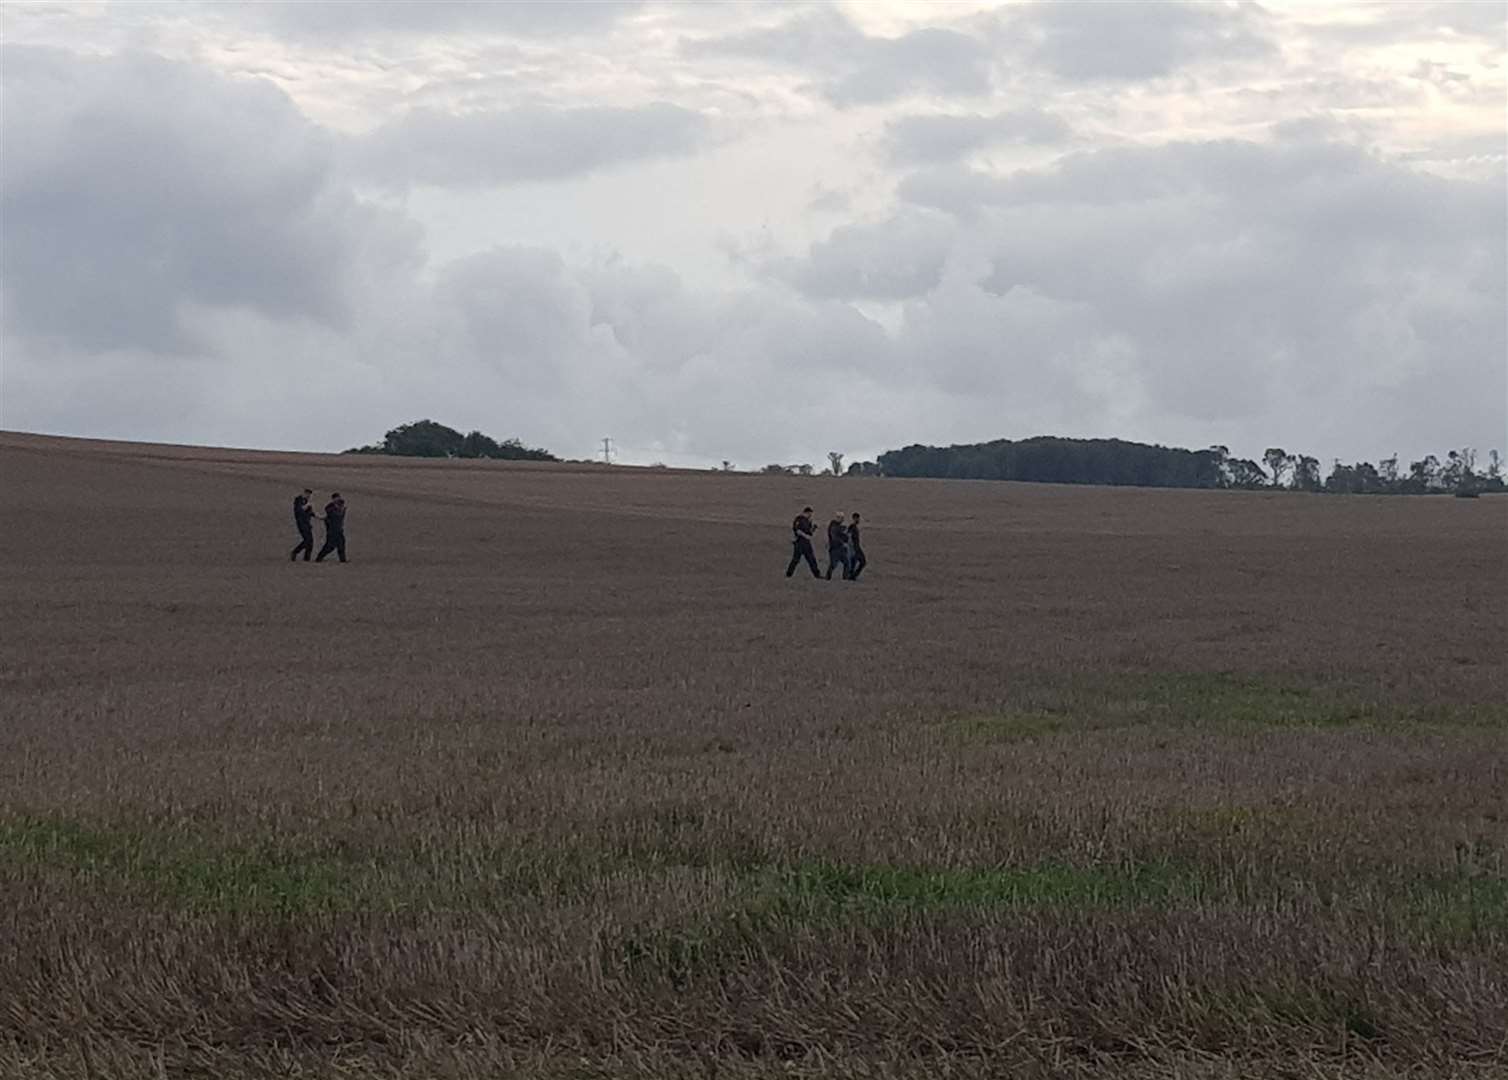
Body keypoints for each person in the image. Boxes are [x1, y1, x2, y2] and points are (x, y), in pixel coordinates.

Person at [785, 506, 820, 578]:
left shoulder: (808, 521)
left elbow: (810, 533)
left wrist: (813, 528)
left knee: (811, 559)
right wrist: (805, 536)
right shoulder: (799, 519)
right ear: (806, 513)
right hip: (799, 542)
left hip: (806, 543)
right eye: (809, 514)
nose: (810, 515)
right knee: (796, 559)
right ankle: (789, 574)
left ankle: (817, 574)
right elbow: (797, 531)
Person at [315, 493, 347, 563]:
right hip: (332, 531)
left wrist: (340, 508)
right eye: (336, 498)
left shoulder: (341, 506)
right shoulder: (330, 507)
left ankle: (343, 560)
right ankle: (319, 557)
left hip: (339, 530)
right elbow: (329, 512)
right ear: (333, 499)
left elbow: (341, 513)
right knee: (330, 546)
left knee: (341, 544)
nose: (338, 500)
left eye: (338, 498)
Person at [289, 488, 316, 561]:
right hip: (301, 523)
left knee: (310, 541)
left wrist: (320, 517)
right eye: (307, 494)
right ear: (304, 493)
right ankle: (295, 552)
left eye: (310, 495)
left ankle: (307, 558)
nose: (308, 496)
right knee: (307, 540)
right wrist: (307, 505)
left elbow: (310, 513)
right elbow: (299, 510)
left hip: (307, 523)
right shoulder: (298, 500)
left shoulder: (306, 502)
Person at [825, 512, 850, 580]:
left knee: (846, 563)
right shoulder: (834, 527)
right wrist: (843, 543)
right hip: (835, 549)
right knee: (834, 564)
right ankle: (828, 577)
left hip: (839, 548)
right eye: (841, 518)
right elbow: (835, 537)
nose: (842, 520)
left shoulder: (836, 526)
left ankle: (845, 578)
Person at [847, 512, 866, 580]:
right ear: (854, 518)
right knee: (862, 562)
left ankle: (852, 576)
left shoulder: (853, 527)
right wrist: (852, 548)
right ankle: (852, 576)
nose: (858, 520)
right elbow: (849, 538)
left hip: (856, 547)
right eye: (857, 518)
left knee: (854, 563)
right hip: (855, 548)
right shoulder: (852, 527)